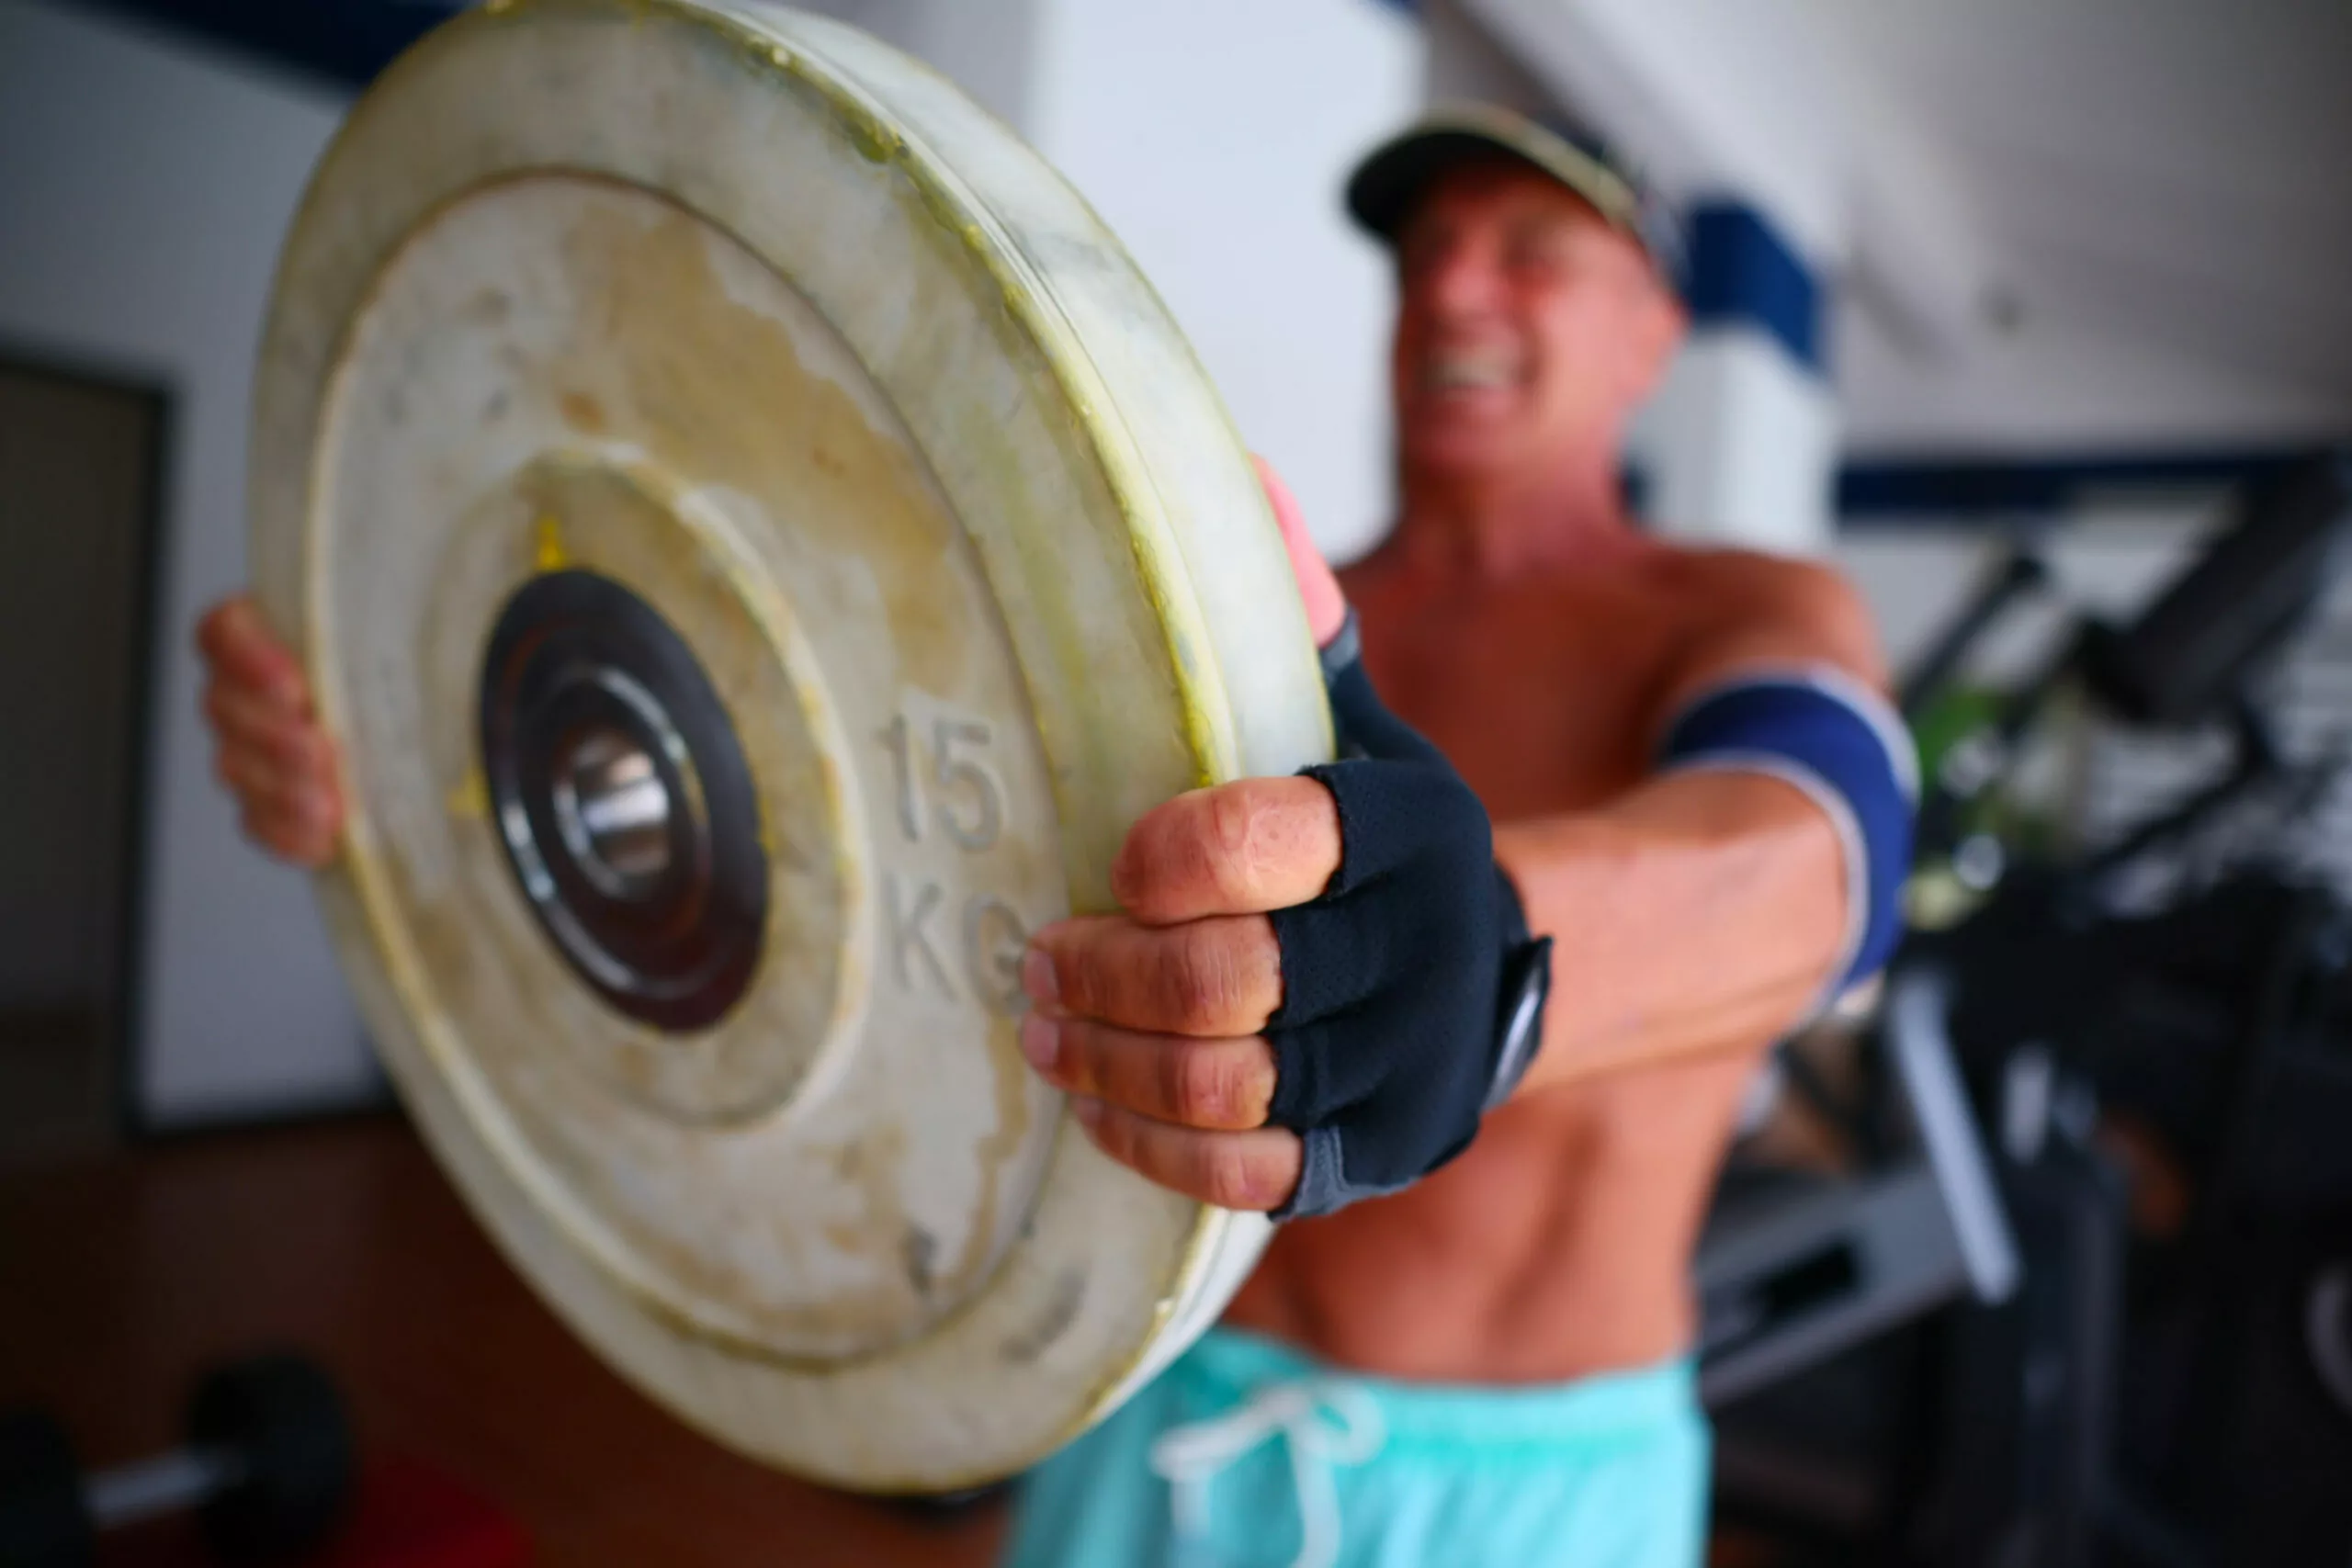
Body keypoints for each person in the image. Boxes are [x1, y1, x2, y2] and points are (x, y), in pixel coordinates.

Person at [198, 106, 1910, 1568]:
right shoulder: (1220, 617)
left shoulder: (1745, 607)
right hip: (1157, 1415)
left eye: (1531, 246)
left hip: (1522, 1492)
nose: (1455, 284)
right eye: (1426, 249)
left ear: (1654, 331)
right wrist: (417, 749)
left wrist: (1497, 965)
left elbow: (1822, 846)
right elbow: (884, 865)